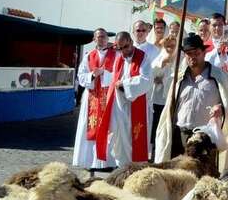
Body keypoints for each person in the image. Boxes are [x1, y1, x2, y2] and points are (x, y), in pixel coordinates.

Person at [154, 34, 228, 183]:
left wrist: (220, 108)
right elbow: (171, 107)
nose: (193, 57)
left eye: (196, 53)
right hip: (180, 135)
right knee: (178, 179)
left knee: (202, 180)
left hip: (203, 139)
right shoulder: (179, 79)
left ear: (204, 53)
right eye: (189, 54)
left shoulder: (219, 78)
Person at [96, 32, 152, 167]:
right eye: (119, 48)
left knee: (134, 139)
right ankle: (121, 168)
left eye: (125, 47)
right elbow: (113, 80)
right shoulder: (118, 58)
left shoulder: (143, 57)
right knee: (118, 139)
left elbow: (146, 80)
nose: (122, 51)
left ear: (131, 42)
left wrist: (124, 85)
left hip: (136, 105)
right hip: (119, 106)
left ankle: (136, 169)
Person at [73, 28, 116, 171]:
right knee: (89, 126)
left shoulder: (116, 55)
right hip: (92, 96)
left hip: (109, 96)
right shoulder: (88, 56)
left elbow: (119, 74)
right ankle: (90, 161)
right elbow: (81, 76)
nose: (102, 39)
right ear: (94, 39)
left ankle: (107, 162)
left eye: (104, 36)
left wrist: (105, 74)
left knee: (109, 126)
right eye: (99, 37)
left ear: (107, 39)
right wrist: (93, 75)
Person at [149, 35, 178, 158]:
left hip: (173, 97)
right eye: (168, 46)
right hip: (159, 99)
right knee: (157, 126)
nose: (170, 48)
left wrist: (164, 79)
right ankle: (155, 152)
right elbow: (153, 73)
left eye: (173, 46)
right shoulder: (160, 57)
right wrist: (162, 64)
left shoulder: (179, 57)